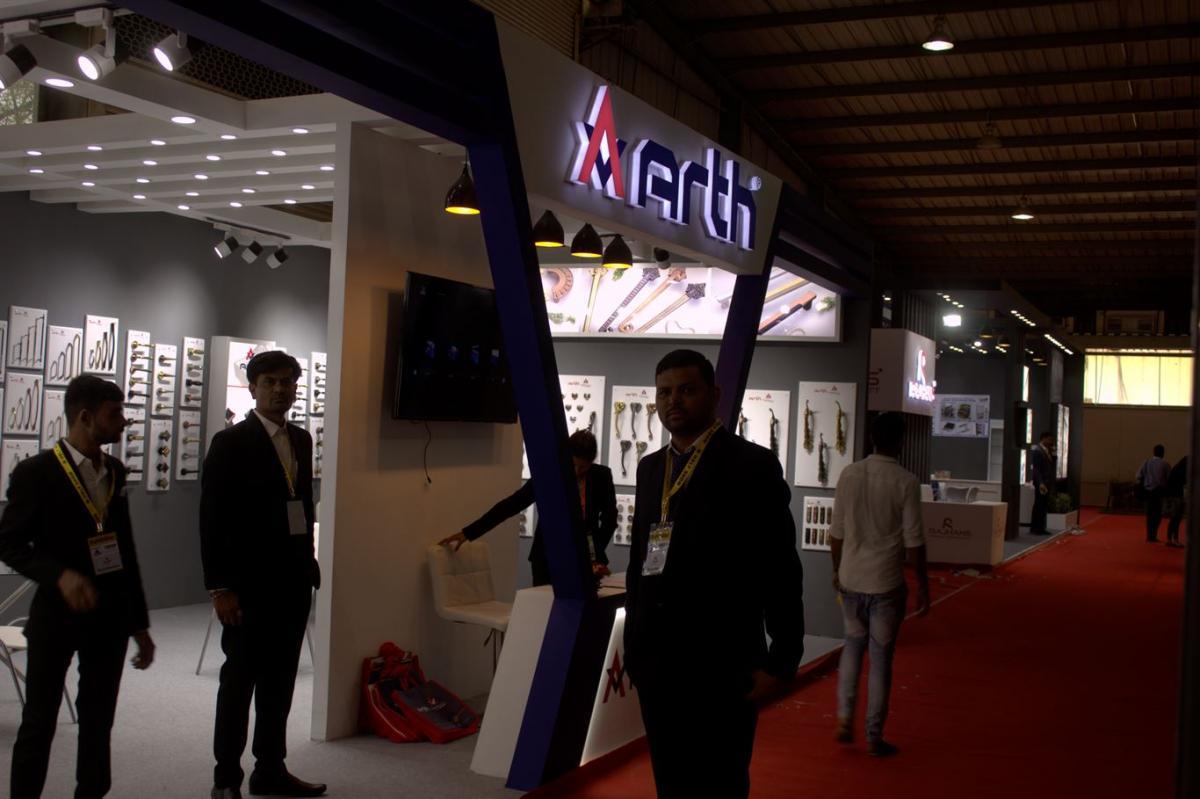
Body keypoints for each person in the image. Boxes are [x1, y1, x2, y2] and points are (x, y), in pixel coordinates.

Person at [624, 349, 804, 798]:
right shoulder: (650, 469)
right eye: (664, 392)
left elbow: (780, 566)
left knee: (719, 783)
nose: (673, 401)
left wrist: (783, 659)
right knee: (670, 781)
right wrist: (634, 646)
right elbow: (640, 561)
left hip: (722, 662)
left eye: (686, 390)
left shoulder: (751, 465)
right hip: (659, 664)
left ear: (714, 394)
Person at [0, 375, 155, 799]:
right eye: (115, 413)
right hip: (56, 617)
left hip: (109, 619)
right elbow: (9, 544)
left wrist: (139, 625)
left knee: (99, 721)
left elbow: (125, 552)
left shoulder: (115, 472)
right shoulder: (36, 473)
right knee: (39, 723)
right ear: (85, 417)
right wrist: (60, 575)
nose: (123, 421)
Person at [201, 350, 324, 799]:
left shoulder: (301, 439)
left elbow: (303, 507)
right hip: (247, 588)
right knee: (238, 685)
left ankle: (270, 769)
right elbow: (212, 520)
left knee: (280, 684)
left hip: (292, 584)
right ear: (252, 388)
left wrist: (309, 564)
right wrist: (220, 587)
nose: (279, 389)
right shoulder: (230, 442)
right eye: (270, 381)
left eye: (287, 382)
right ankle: (225, 779)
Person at [829, 412, 929, 758]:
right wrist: (923, 585)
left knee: (852, 645)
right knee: (881, 658)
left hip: (851, 577)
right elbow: (915, 542)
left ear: (871, 437)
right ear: (901, 441)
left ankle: (844, 717)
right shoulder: (906, 481)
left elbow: (836, 532)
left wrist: (836, 571)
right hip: (885, 581)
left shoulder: (849, 474)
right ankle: (874, 735)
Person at [439, 430, 616, 584]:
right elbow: (512, 504)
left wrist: (595, 552)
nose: (576, 471)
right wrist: (469, 533)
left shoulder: (601, 476)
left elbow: (610, 519)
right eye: (573, 464)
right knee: (543, 608)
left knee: (584, 610)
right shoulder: (549, 474)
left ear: (591, 462)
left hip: (587, 559)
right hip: (546, 558)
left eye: (583, 467)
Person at [1136, 444, 1171, 543]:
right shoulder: (1165, 464)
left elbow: (1138, 475)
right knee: (1157, 515)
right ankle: (1154, 534)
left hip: (1148, 492)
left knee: (1149, 514)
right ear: (1163, 453)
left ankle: (1149, 535)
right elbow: (1169, 479)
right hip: (1159, 492)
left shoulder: (1146, 462)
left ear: (1153, 452)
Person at [1029, 432, 1056, 536]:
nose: (1050, 442)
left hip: (1047, 481)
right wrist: (1040, 482)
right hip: (1041, 483)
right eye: (1049, 440)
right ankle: (1036, 528)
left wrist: (1053, 453)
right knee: (1039, 504)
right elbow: (1036, 469)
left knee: (1043, 505)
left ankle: (1040, 527)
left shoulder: (1048, 450)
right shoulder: (1038, 451)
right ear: (1043, 439)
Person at [1164, 454, 1188, 548]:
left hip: (1173, 496)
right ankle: (1175, 539)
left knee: (1174, 518)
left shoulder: (1175, 469)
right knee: (1177, 518)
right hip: (1177, 496)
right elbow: (1184, 482)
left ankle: (1170, 539)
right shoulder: (1182, 471)